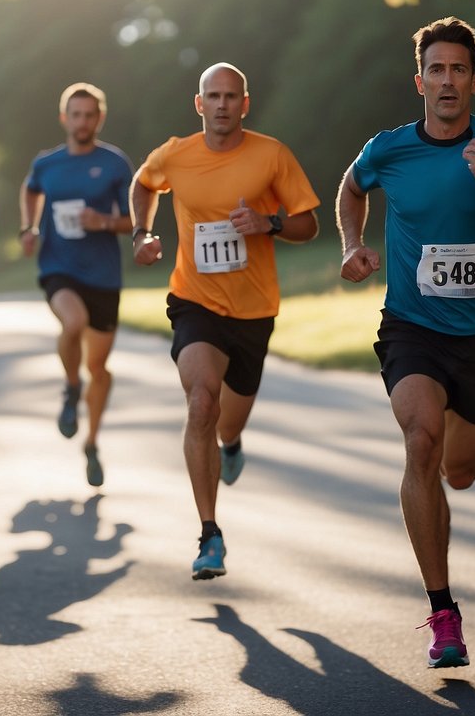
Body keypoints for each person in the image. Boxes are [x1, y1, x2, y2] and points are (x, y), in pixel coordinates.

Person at [336, 17, 475, 668]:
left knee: (456, 472)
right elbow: (351, 187)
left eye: (457, 70)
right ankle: (443, 614)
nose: (445, 81)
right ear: (419, 81)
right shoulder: (388, 149)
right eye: (434, 69)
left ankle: (433, 488)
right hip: (410, 327)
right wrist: (352, 245)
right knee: (420, 441)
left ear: (473, 82)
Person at [131, 62, 321, 580]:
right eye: (212, 96)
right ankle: (209, 534)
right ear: (199, 104)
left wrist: (269, 223)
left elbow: (309, 222)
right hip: (195, 300)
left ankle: (231, 443)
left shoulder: (271, 155)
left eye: (230, 96)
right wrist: (140, 234)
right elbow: (144, 184)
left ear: (245, 103)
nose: (221, 105)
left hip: (254, 310)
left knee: (227, 421)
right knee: (201, 403)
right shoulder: (176, 155)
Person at [19, 82, 135, 487]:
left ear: (99, 119)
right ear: (63, 118)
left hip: (103, 275)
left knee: (99, 369)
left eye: (90, 115)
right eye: (76, 114)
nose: (82, 121)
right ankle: (71, 389)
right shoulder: (47, 164)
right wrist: (29, 227)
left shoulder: (115, 164)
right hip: (59, 267)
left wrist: (101, 221)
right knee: (72, 323)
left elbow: (136, 219)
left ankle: (92, 442)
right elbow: (30, 189)